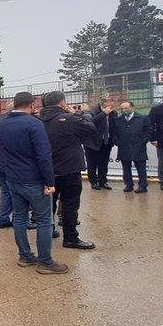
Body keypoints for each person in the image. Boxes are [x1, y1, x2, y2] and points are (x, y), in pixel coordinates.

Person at [0, 92, 68, 275]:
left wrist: (4, 176)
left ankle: (25, 256)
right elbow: (43, 155)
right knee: (44, 221)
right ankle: (45, 261)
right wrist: (49, 181)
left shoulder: (2, 124)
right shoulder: (34, 123)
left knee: (19, 218)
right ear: (32, 105)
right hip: (34, 179)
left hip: (13, 179)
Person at [38, 91, 100, 250]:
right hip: (69, 168)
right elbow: (90, 128)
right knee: (70, 205)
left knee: (48, 204)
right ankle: (71, 238)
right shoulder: (69, 119)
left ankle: (48, 231)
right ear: (62, 103)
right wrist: (78, 114)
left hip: (46, 170)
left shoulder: (37, 121)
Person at [113, 101, 151, 193]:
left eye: (126, 108)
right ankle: (128, 185)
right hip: (124, 147)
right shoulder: (117, 120)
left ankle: (143, 186)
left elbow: (148, 130)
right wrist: (117, 142)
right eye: (122, 109)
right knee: (126, 168)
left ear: (132, 108)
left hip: (138, 147)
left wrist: (143, 141)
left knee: (141, 168)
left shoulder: (142, 118)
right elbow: (113, 133)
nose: (124, 110)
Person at [84, 98, 117, 190]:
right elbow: (91, 122)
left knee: (104, 163)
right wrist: (103, 113)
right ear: (103, 104)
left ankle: (103, 181)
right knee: (92, 164)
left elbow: (113, 127)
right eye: (110, 103)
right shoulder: (93, 112)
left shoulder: (113, 113)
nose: (112, 105)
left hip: (106, 142)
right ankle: (93, 182)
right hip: (92, 143)